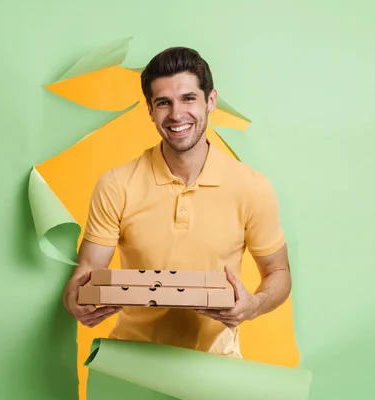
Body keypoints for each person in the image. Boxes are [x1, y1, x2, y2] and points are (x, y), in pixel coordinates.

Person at [62, 46, 292, 357]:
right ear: (150, 110)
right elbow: (86, 272)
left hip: (217, 366)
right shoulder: (116, 185)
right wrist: (77, 298)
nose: (176, 114)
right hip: (132, 363)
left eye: (188, 98)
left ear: (210, 100)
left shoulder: (252, 186)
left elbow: (278, 272)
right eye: (163, 103)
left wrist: (253, 306)